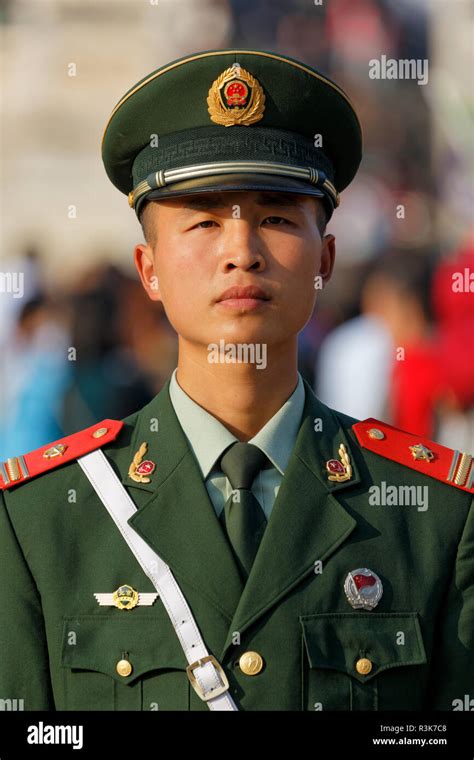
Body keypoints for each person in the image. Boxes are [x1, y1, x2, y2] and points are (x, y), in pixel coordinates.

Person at [0, 49, 472, 712]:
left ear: (326, 258)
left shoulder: (435, 517)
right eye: (202, 220)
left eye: (277, 217)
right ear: (149, 268)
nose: (241, 251)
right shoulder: (40, 521)